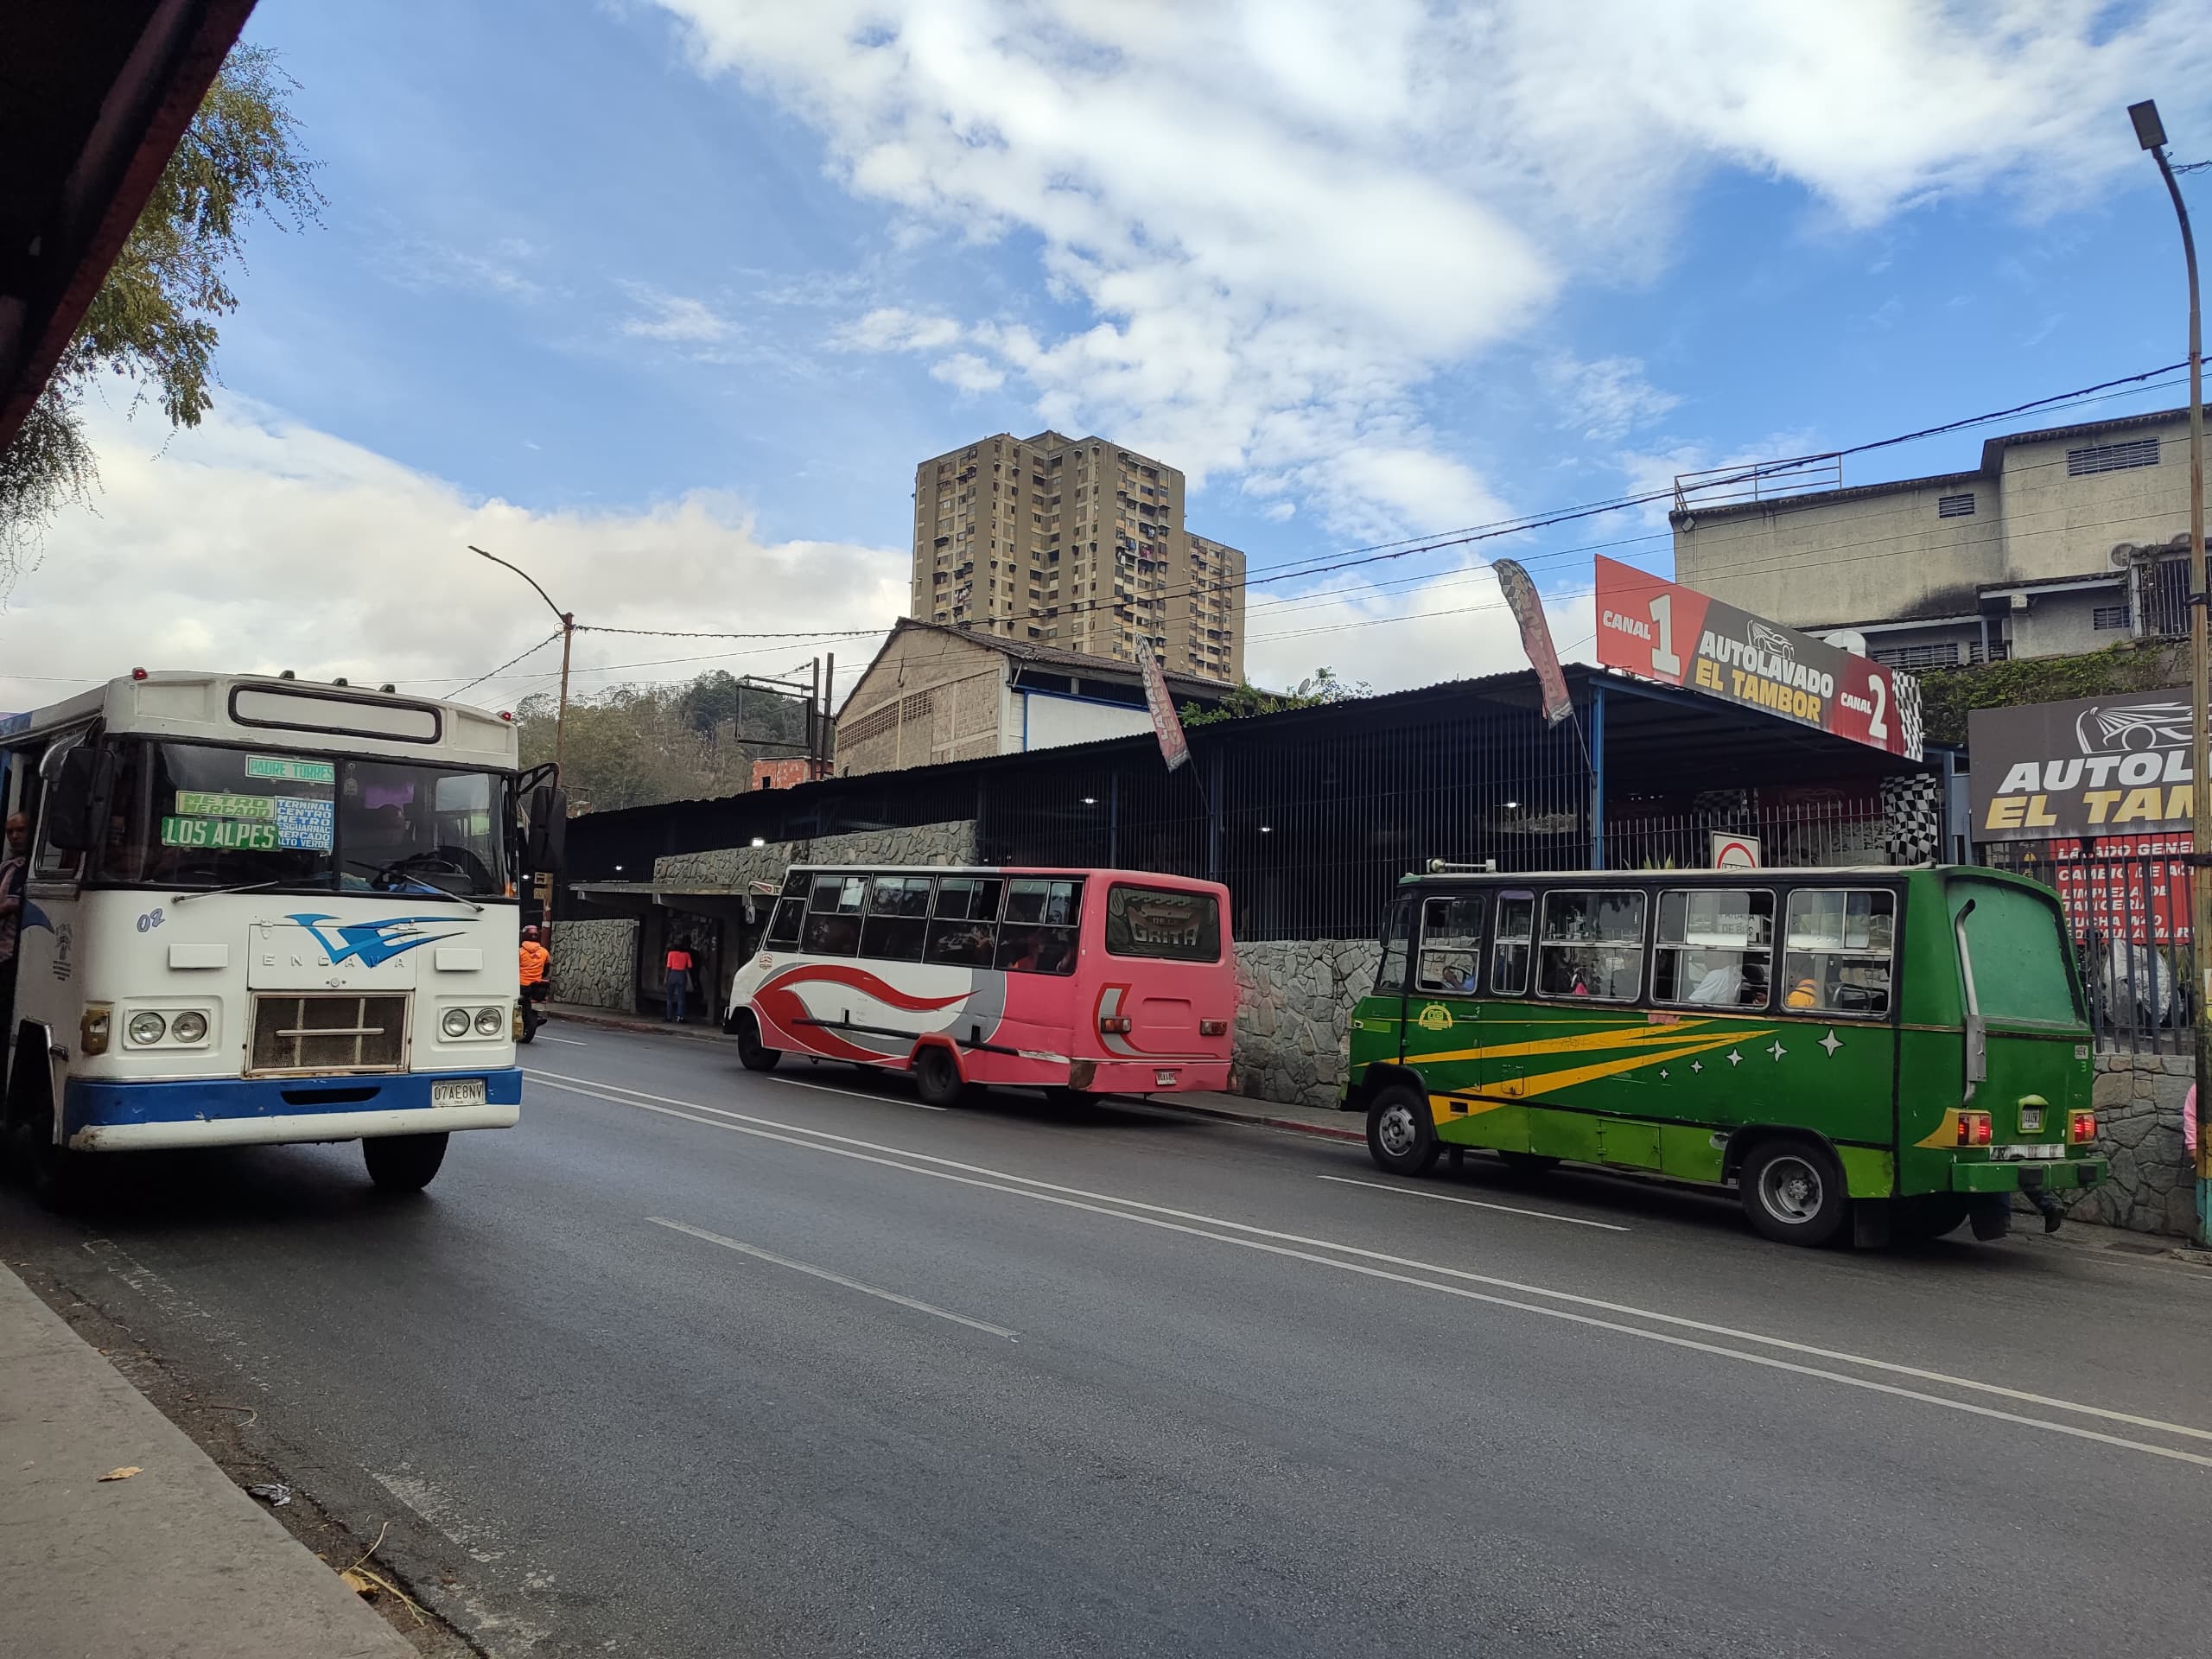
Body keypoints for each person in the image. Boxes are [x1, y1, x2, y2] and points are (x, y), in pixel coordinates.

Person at [0, 811, 29, 1024]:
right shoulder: (9, 866)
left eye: (21, 830)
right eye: (10, 832)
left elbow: (10, 905)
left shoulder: (25, 869)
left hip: (12, 955)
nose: (15, 836)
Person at [665, 937, 696, 1023]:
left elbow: (668, 967)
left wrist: (666, 978)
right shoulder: (686, 954)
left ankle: (668, 1016)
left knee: (670, 997)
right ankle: (680, 1016)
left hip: (672, 974)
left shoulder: (671, 954)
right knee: (681, 997)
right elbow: (690, 966)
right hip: (682, 974)